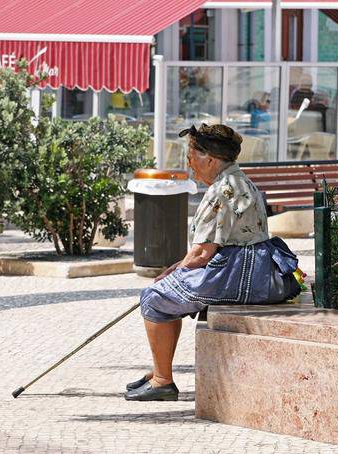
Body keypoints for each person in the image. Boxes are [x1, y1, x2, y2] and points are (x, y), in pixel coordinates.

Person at [124, 123, 302, 402]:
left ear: (210, 159)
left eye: (192, 157)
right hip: (258, 270)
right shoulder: (241, 180)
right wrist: (178, 269)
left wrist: (173, 272)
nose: (190, 165)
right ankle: (159, 370)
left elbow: (202, 254)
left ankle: (162, 381)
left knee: (153, 297)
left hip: (240, 274)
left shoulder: (222, 190)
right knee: (167, 291)